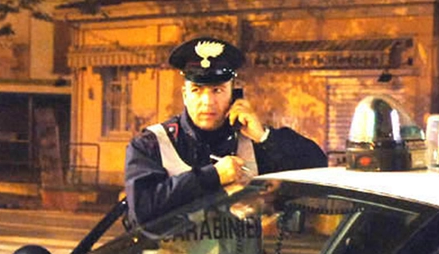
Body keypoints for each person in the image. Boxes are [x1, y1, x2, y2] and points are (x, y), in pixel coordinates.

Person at [124, 36, 328, 227]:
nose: (207, 101)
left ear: (234, 94)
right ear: (185, 95)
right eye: (197, 90)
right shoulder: (151, 144)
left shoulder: (251, 141)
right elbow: (141, 211)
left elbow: (316, 165)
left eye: (217, 90)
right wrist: (212, 176)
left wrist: (264, 137)